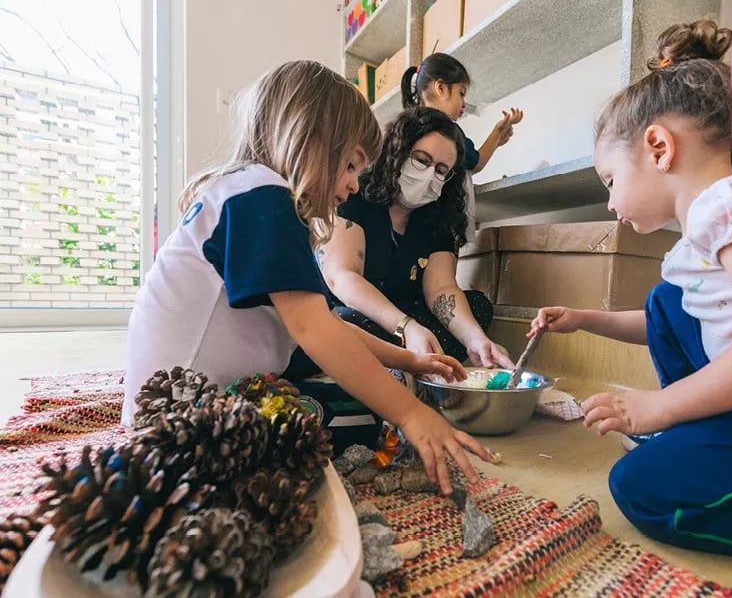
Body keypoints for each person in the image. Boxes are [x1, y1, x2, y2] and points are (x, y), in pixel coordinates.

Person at [531, 20, 732, 559]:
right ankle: (698, 427)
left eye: (610, 181)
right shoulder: (710, 228)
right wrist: (586, 318)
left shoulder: (729, 204)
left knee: (643, 489)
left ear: (658, 147)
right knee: (665, 300)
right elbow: (687, 318)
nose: (610, 204)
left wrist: (661, 406)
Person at [122, 60, 490, 493]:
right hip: (181, 428)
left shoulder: (244, 191)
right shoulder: (264, 198)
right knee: (365, 415)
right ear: (314, 144)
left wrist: (409, 360)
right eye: (351, 165)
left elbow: (325, 325)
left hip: (174, 410)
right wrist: (411, 413)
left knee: (365, 390)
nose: (355, 184)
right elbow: (317, 331)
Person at [285, 107, 513, 380]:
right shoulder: (355, 193)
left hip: (404, 309)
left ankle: (409, 363)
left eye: (441, 170)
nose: (430, 175)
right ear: (398, 152)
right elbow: (341, 278)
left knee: (477, 307)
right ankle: (410, 362)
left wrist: (475, 339)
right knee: (344, 324)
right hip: (353, 311)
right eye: (421, 160)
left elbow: (440, 288)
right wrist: (407, 327)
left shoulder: (439, 214)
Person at [400, 53, 523, 240]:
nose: (464, 104)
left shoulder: (409, 125)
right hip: (442, 223)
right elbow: (476, 162)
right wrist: (496, 135)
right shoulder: (449, 132)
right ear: (441, 88)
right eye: (461, 93)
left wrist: (497, 137)